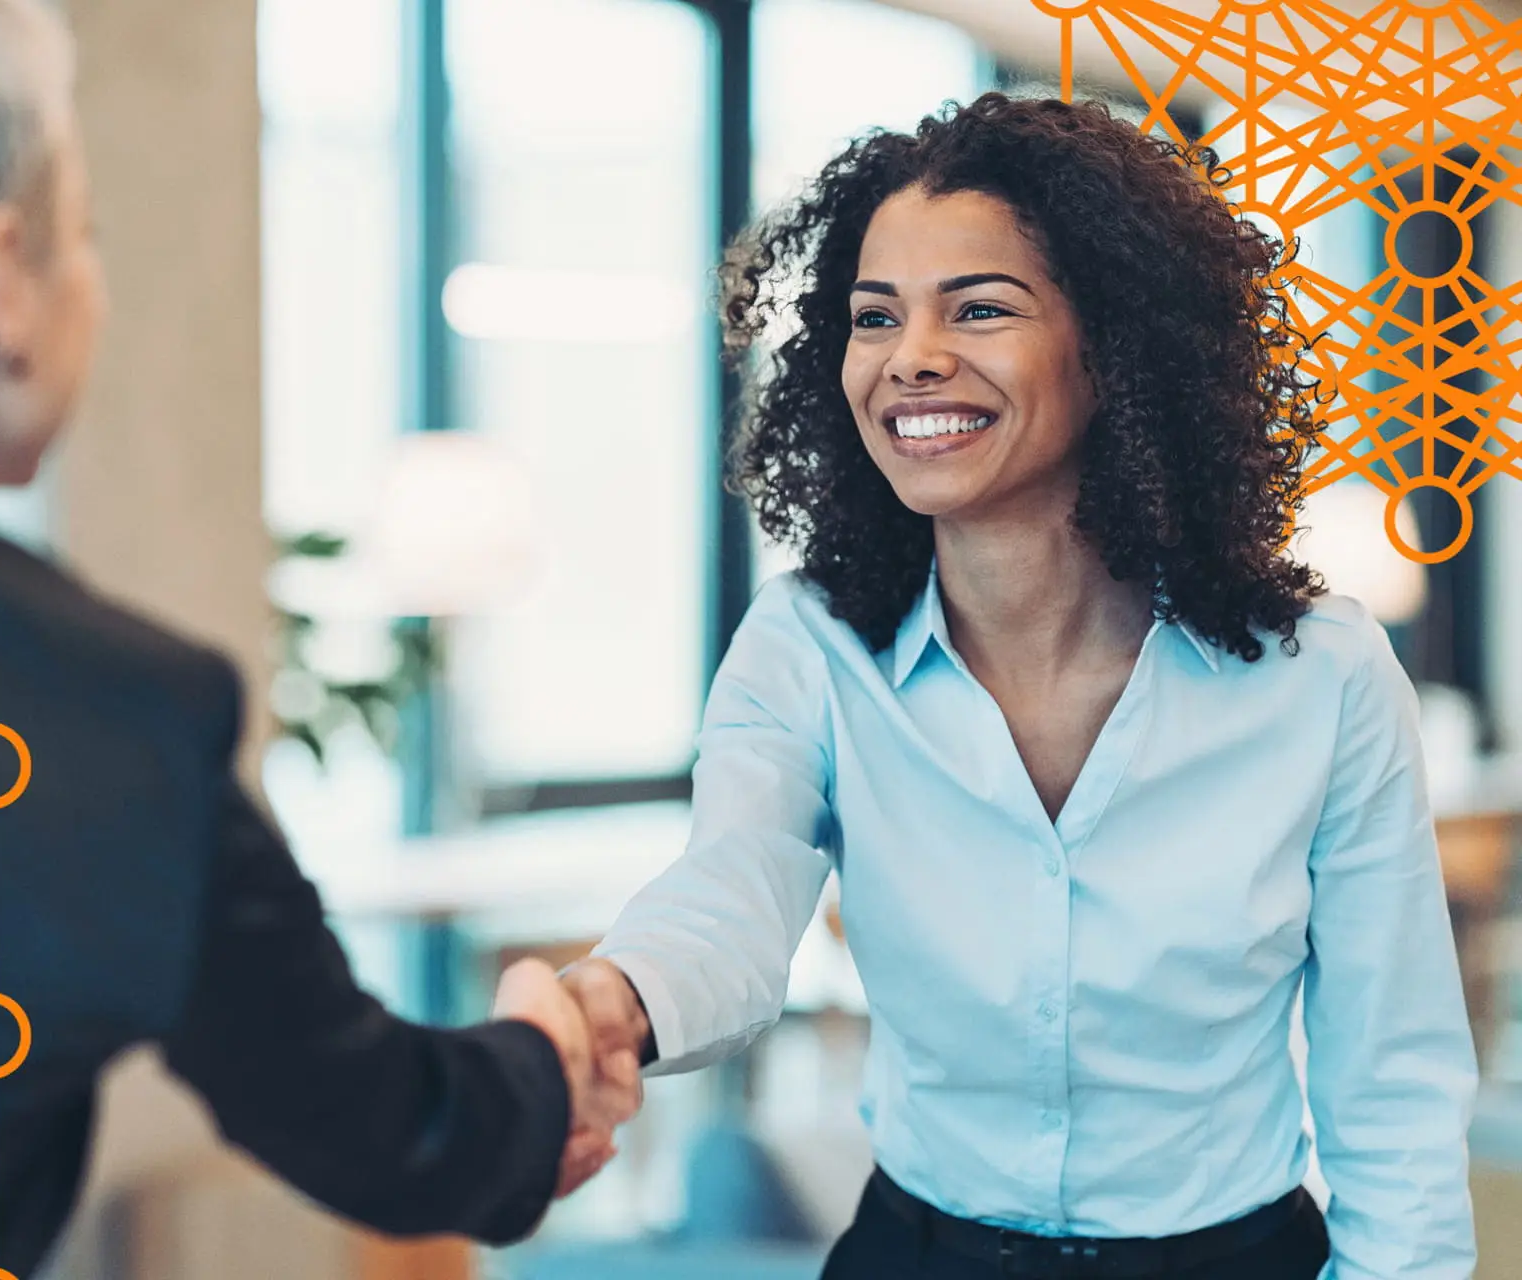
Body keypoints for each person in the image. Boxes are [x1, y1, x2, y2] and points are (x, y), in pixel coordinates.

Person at [0, 2, 637, 1277]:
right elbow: (395, 1132)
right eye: (81, 232)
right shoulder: (112, 708)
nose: (89, 269)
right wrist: (540, 1052)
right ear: (0, 281)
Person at [560, 92, 1477, 1279]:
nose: (913, 358)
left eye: (980, 308)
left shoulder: (1325, 676)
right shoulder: (808, 645)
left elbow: (1391, 1080)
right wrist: (612, 1001)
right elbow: (731, 895)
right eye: (873, 316)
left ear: (1116, 348)